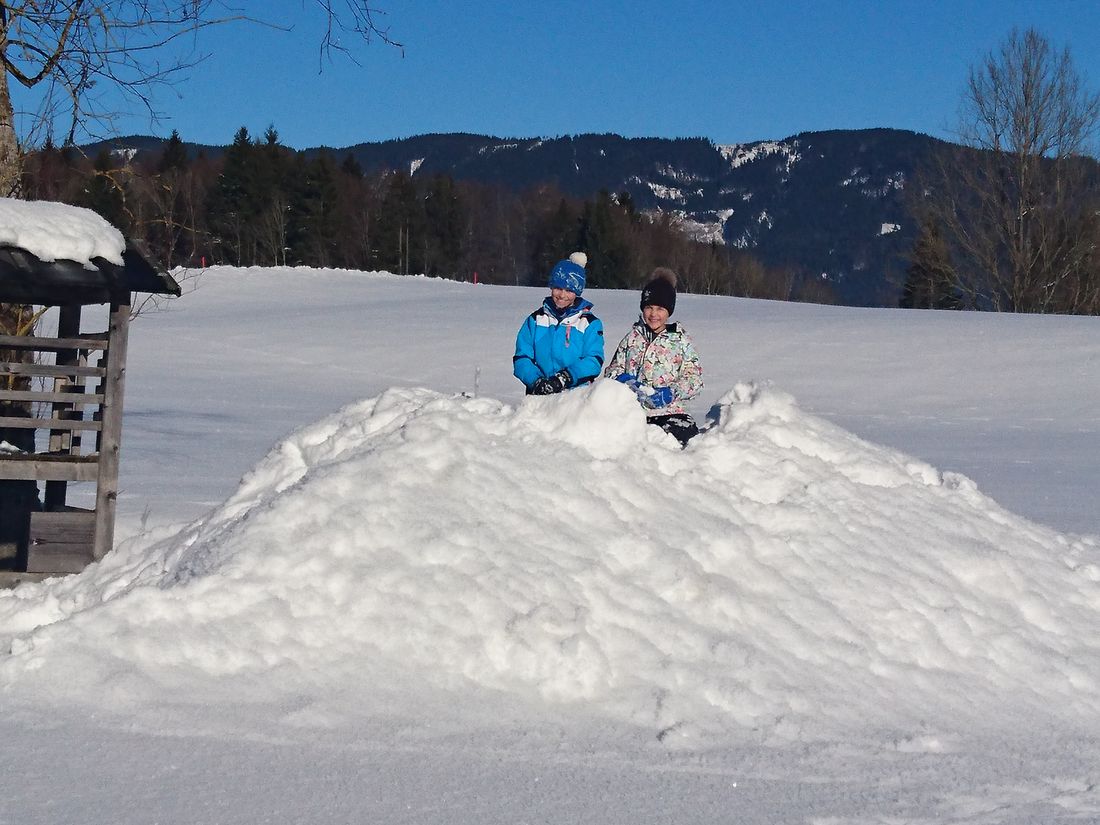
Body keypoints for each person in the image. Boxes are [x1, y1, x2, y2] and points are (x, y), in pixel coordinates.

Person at [604, 267, 703, 446]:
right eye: (649, 307)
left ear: (669, 311)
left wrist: (671, 393)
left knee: (683, 439)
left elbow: (694, 380)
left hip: (670, 411)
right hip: (633, 411)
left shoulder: (681, 341)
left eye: (660, 308)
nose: (653, 314)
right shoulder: (633, 338)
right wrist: (626, 381)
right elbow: (612, 370)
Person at [513, 252, 605, 395]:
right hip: (539, 397)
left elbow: (593, 361)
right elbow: (522, 358)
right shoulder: (535, 320)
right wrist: (536, 381)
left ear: (577, 292)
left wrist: (565, 378)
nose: (562, 295)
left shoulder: (589, 323)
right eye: (558, 288)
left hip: (575, 397)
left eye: (569, 290)